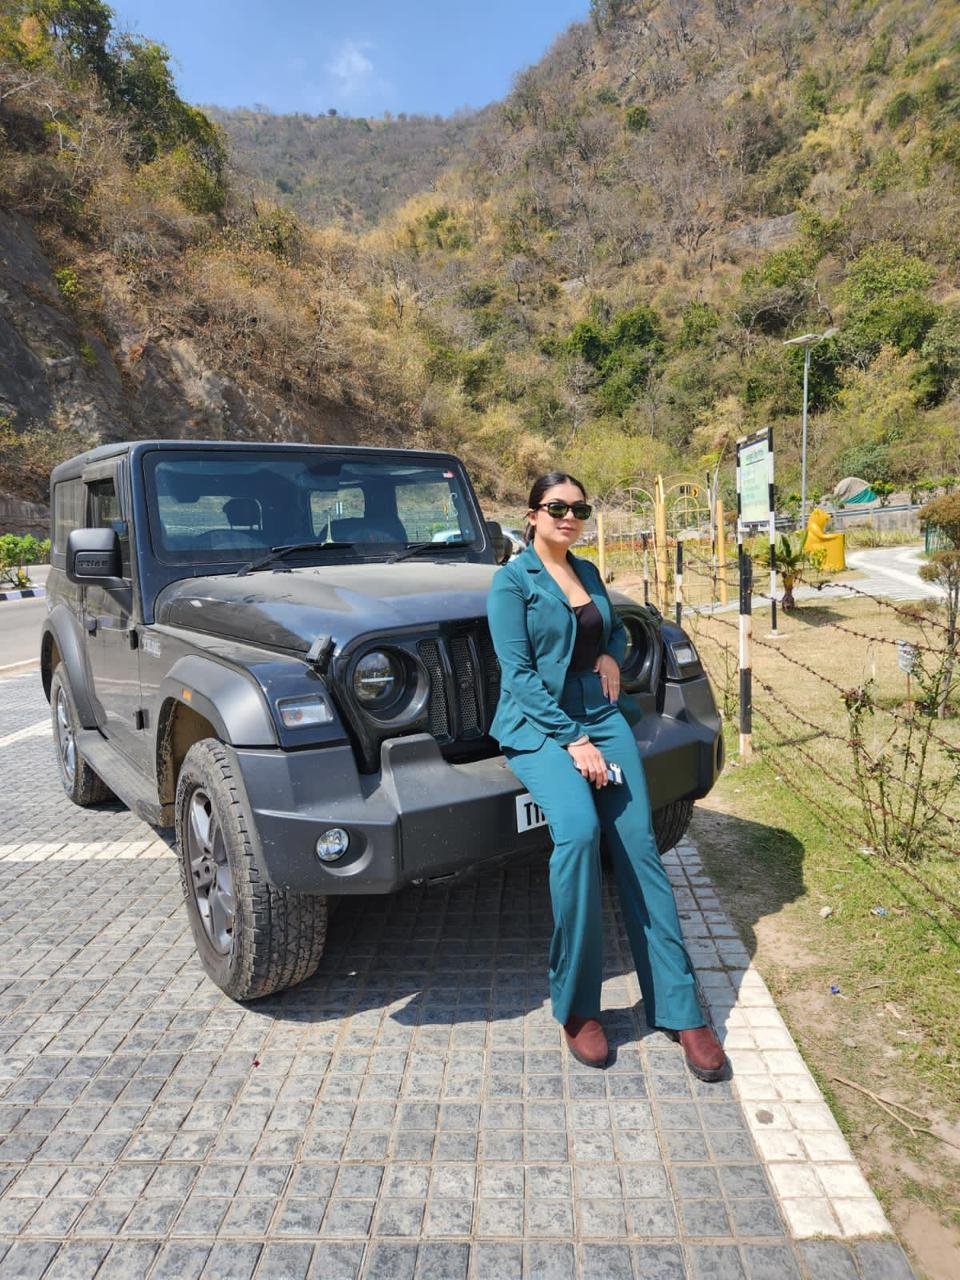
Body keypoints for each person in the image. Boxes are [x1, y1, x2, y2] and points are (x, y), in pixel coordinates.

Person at [487, 472, 726, 1078]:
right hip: (539, 724)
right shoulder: (511, 583)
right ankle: (578, 1007)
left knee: (638, 845)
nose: (569, 517)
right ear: (532, 515)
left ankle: (679, 1007)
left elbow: (613, 628)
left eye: (579, 509)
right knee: (578, 833)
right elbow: (518, 675)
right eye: (557, 507)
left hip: (600, 712)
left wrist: (609, 656)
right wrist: (573, 741)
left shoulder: (587, 571)